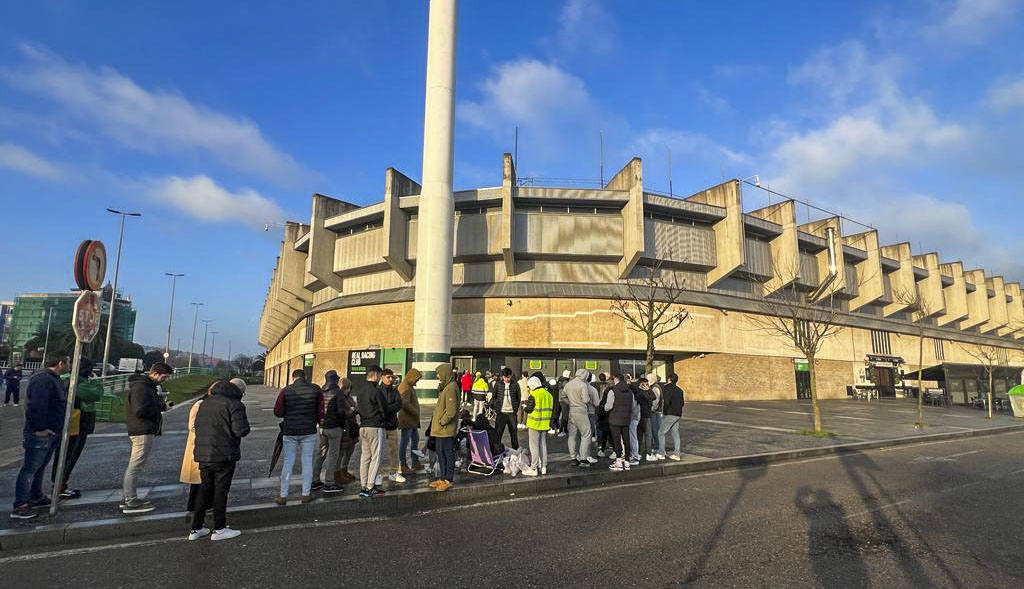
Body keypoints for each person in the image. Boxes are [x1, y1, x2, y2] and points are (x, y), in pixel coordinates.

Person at [188, 379, 250, 541]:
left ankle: (196, 528)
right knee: (221, 490)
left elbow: (197, 426)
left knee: (204, 490)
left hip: (203, 452)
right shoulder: (234, 404)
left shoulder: (204, 403)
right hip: (224, 454)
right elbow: (240, 430)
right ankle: (220, 528)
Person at [10, 354, 68, 520]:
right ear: (60, 363)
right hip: (41, 432)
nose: (70, 364)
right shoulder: (43, 380)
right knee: (30, 469)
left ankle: (36, 496)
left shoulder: (53, 379)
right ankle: (20, 505)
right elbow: (36, 406)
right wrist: (39, 428)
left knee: (40, 467)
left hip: (51, 431)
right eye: (69, 361)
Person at [122, 361, 174, 515]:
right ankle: (131, 500)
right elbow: (140, 410)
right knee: (135, 466)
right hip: (142, 430)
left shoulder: (144, 386)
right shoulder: (142, 387)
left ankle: (128, 497)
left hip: (141, 429)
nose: (165, 379)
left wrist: (162, 406)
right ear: (155, 373)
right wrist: (157, 408)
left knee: (135, 465)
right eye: (164, 376)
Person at [53, 357, 104, 499]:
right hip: (77, 424)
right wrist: (97, 383)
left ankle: (59, 484)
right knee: (70, 455)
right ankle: (60, 486)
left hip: (67, 423)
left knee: (63, 455)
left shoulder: (63, 378)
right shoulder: (78, 382)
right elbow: (95, 394)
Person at [273, 369, 324, 505]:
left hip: (290, 431)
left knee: (288, 462)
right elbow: (321, 412)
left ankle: (283, 495)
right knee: (307, 461)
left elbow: (277, 411)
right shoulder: (315, 390)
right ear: (305, 377)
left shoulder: (286, 390)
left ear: (293, 378)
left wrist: (287, 412)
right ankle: (305, 494)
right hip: (309, 431)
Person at [355, 365, 389, 497]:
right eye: (380, 376)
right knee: (376, 457)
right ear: (375, 375)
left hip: (363, 426)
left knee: (365, 457)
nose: (380, 378)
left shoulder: (361, 390)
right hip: (375, 426)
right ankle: (370, 486)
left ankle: (363, 486)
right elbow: (383, 408)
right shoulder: (376, 391)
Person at [314, 371, 346, 494]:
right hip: (334, 427)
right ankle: (329, 482)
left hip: (322, 427)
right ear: (335, 380)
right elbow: (341, 412)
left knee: (321, 453)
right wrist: (343, 426)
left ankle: (315, 480)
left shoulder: (321, 391)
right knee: (333, 455)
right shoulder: (338, 392)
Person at [430, 363, 458, 492]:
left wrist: (442, 421)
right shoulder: (445, 387)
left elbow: (451, 411)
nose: (437, 376)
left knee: (447, 454)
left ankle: (448, 479)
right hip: (440, 430)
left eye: (439, 373)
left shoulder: (451, 388)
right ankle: (442, 477)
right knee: (440, 453)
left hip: (445, 429)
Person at [377, 369, 406, 484]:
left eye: (391, 377)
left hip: (392, 424)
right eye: (388, 377)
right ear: (382, 377)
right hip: (380, 425)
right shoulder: (378, 390)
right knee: (378, 451)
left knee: (394, 450)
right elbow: (378, 406)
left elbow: (398, 404)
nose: (390, 379)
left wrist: (387, 408)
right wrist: (388, 408)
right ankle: (377, 474)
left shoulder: (395, 391)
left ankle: (394, 473)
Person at [563, 369, 597, 467]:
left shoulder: (568, 384)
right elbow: (586, 400)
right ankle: (583, 459)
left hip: (571, 411)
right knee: (586, 434)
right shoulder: (583, 385)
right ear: (585, 376)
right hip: (581, 411)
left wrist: (570, 402)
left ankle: (573, 457)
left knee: (572, 435)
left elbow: (563, 397)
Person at [521, 376, 553, 476]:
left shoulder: (533, 394)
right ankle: (543, 467)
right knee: (543, 445)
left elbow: (529, 409)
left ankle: (534, 468)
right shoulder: (549, 395)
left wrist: (525, 407)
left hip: (534, 424)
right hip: (545, 424)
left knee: (534, 446)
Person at [605, 374, 635, 471]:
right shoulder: (630, 391)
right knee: (626, 440)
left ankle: (618, 461)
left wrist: (605, 408)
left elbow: (608, 406)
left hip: (615, 419)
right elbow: (633, 406)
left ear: (616, 379)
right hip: (626, 419)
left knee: (617, 441)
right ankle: (626, 462)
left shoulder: (612, 391)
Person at [397, 368, 424, 474]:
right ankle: (403, 464)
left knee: (415, 440)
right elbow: (405, 403)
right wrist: (415, 412)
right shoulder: (405, 387)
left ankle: (415, 462)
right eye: (416, 379)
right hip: (407, 420)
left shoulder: (409, 386)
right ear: (411, 377)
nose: (417, 381)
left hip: (412, 420)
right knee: (404, 442)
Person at [489, 367, 520, 450]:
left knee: (514, 433)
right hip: (501, 413)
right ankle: (496, 450)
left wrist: (515, 408)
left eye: (508, 377)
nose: (506, 379)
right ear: (502, 376)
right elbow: (494, 396)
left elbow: (518, 398)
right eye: (505, 377)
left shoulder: (515, 384)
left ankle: (516, 451)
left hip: (512, 413)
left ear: (510, 376)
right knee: (498, 433)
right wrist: (496, 407)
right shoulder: (498, 384)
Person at [658, 374, 685, 460]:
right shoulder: (680, 390)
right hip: (678, 414)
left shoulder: (667, 388)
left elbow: (666, 402)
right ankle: (677, 454)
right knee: (675, 433)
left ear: (669, 379)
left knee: (661, 432)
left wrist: (664, 412)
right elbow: (682, 403)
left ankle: (661, 453)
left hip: (670, 414)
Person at [635, 377, 657, 462]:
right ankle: (648, 454)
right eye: (645, 384)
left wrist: (648, 390)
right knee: (648, 435)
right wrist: (648, 390)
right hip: (645, 416)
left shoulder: (637, 391)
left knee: (639, 435)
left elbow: (653, 397)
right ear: (641, 384)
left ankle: (638, 453)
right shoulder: (640, 392)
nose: (647, 386)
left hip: (639, 416)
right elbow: (651, 397)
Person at [648, 373, 664, 459]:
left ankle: (657, 447)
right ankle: (657, 446)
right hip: (657, 411)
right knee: (656, 430)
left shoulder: (655, 388)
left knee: (655, 430)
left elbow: (655, 401)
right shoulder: (657, 386)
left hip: (656, 412)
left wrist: (651, 409)